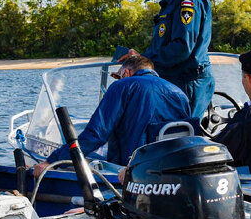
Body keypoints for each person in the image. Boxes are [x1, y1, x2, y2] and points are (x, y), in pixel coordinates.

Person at [32, 54, 192, 179]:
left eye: (117, 75)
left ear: (127, 72)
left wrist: (52, 161)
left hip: (131, 168)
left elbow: (96, 135)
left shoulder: (123, 86)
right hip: (169, 167)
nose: (117, 79)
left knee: (85, 158)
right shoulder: (179, 92)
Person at [122, 0, 213, 118]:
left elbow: (182, 49)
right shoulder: (173, 0)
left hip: (188, 84)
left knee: (182, 132)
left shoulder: (188, 0)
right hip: (174, 81)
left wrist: (143, 59)